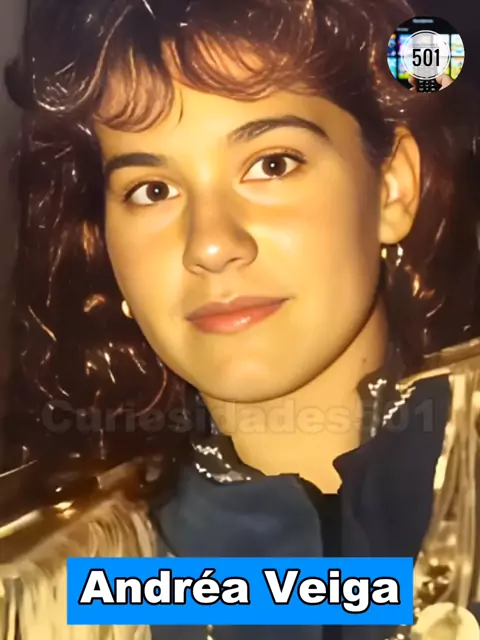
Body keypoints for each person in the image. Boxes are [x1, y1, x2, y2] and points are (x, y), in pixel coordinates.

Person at [1, 0, 480, 639]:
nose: (210, 244)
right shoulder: (51, 597)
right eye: (152, 190)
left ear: (391, 187)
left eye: (272, 164)